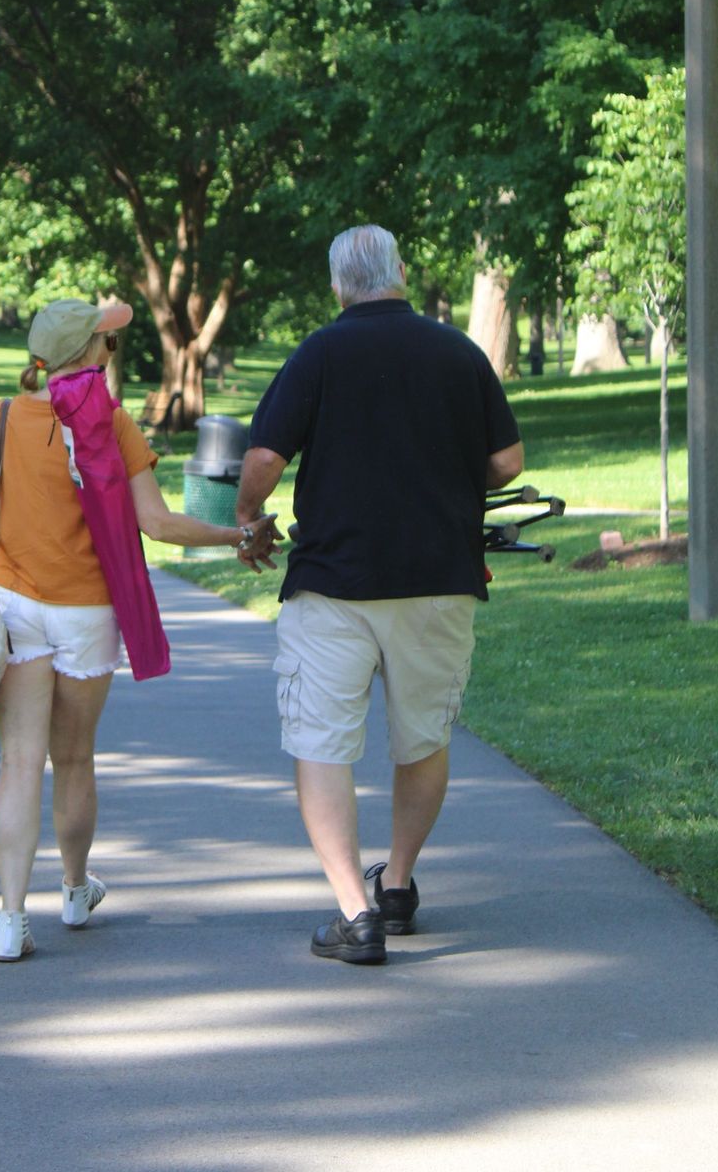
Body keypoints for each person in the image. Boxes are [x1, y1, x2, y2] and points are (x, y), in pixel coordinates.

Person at [235, 226, 523, 966]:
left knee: (321, 743)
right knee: (422, 737)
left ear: (338, 286)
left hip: (335, 583)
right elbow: (507, 461)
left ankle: (355, 912)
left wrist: (247, 516)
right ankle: (396, 882)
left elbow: (265, 457)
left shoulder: (320, 353)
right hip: (440, 579)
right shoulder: (458, 352)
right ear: (399, 271)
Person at [0, 296, 278, 962]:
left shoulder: (2, 418)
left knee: (19, 764)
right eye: (107, 344)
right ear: (85, 354)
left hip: (14, 609)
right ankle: (74, 891)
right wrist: (236, 534)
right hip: (89, 615)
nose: (113, 352)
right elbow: (158, 525)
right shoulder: (115, 426)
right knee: (73, 760)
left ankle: (10, 921)